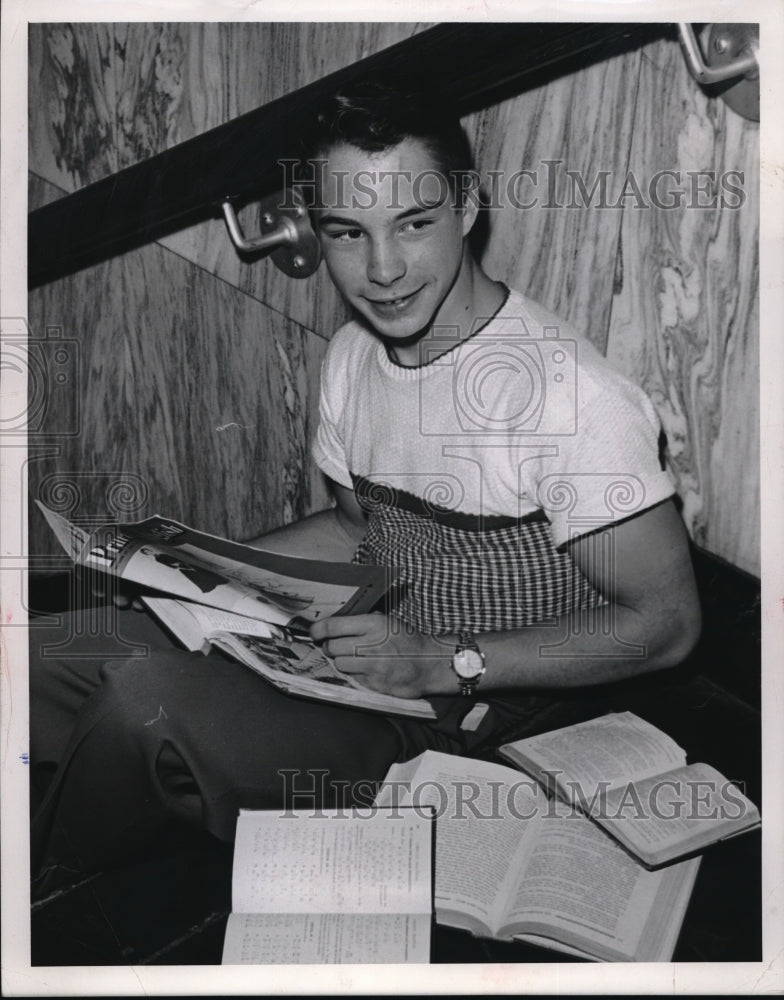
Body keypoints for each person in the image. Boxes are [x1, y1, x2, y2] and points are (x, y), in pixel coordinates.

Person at [29, 77, 700, 894]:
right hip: (366, 649)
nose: (383, 271)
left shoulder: (572, 399)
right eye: (349, 232)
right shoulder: (357, 353)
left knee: (146, 707)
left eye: (414, 224)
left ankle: (49, 895)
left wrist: (441, 661)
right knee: (38, 653)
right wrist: (189, 580)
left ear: (468, 207)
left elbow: (664, 626)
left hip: (483, 709)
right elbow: (357, 530)